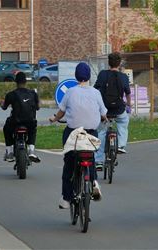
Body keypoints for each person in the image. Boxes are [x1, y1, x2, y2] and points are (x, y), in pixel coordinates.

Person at [49, 62, 107, 209]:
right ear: (89, 76)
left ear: (76, 76)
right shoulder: (96, 93)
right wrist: (103, 118)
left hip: (73, 134)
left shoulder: (70, 92)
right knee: (91, 156)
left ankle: (66, 199)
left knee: (69, 162)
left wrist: (55, 118)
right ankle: (93, 182)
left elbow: (61, 111)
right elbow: (103, 113)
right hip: (90, 134)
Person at [94, 52, 131, 168]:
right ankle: (120, 145)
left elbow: (95, 90)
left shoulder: (102, 74)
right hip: (119, 109)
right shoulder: (123, 77)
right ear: (119, 63)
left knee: (101, 131)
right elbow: (128, 94)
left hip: (104, 111)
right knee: (123, 122)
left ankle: (98, 161)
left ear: (108, 63)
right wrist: (129, 105)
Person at [0, 71, 40, 163]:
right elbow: (38, 108)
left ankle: (9, 152)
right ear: (26, 82)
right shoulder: (33, 94)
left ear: (15, 82)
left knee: (6, 129)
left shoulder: (11, 94)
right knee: (33, 130)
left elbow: (4, 107)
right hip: (30, 122)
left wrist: (1, 103)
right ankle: (31, 150)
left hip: (15, 122)